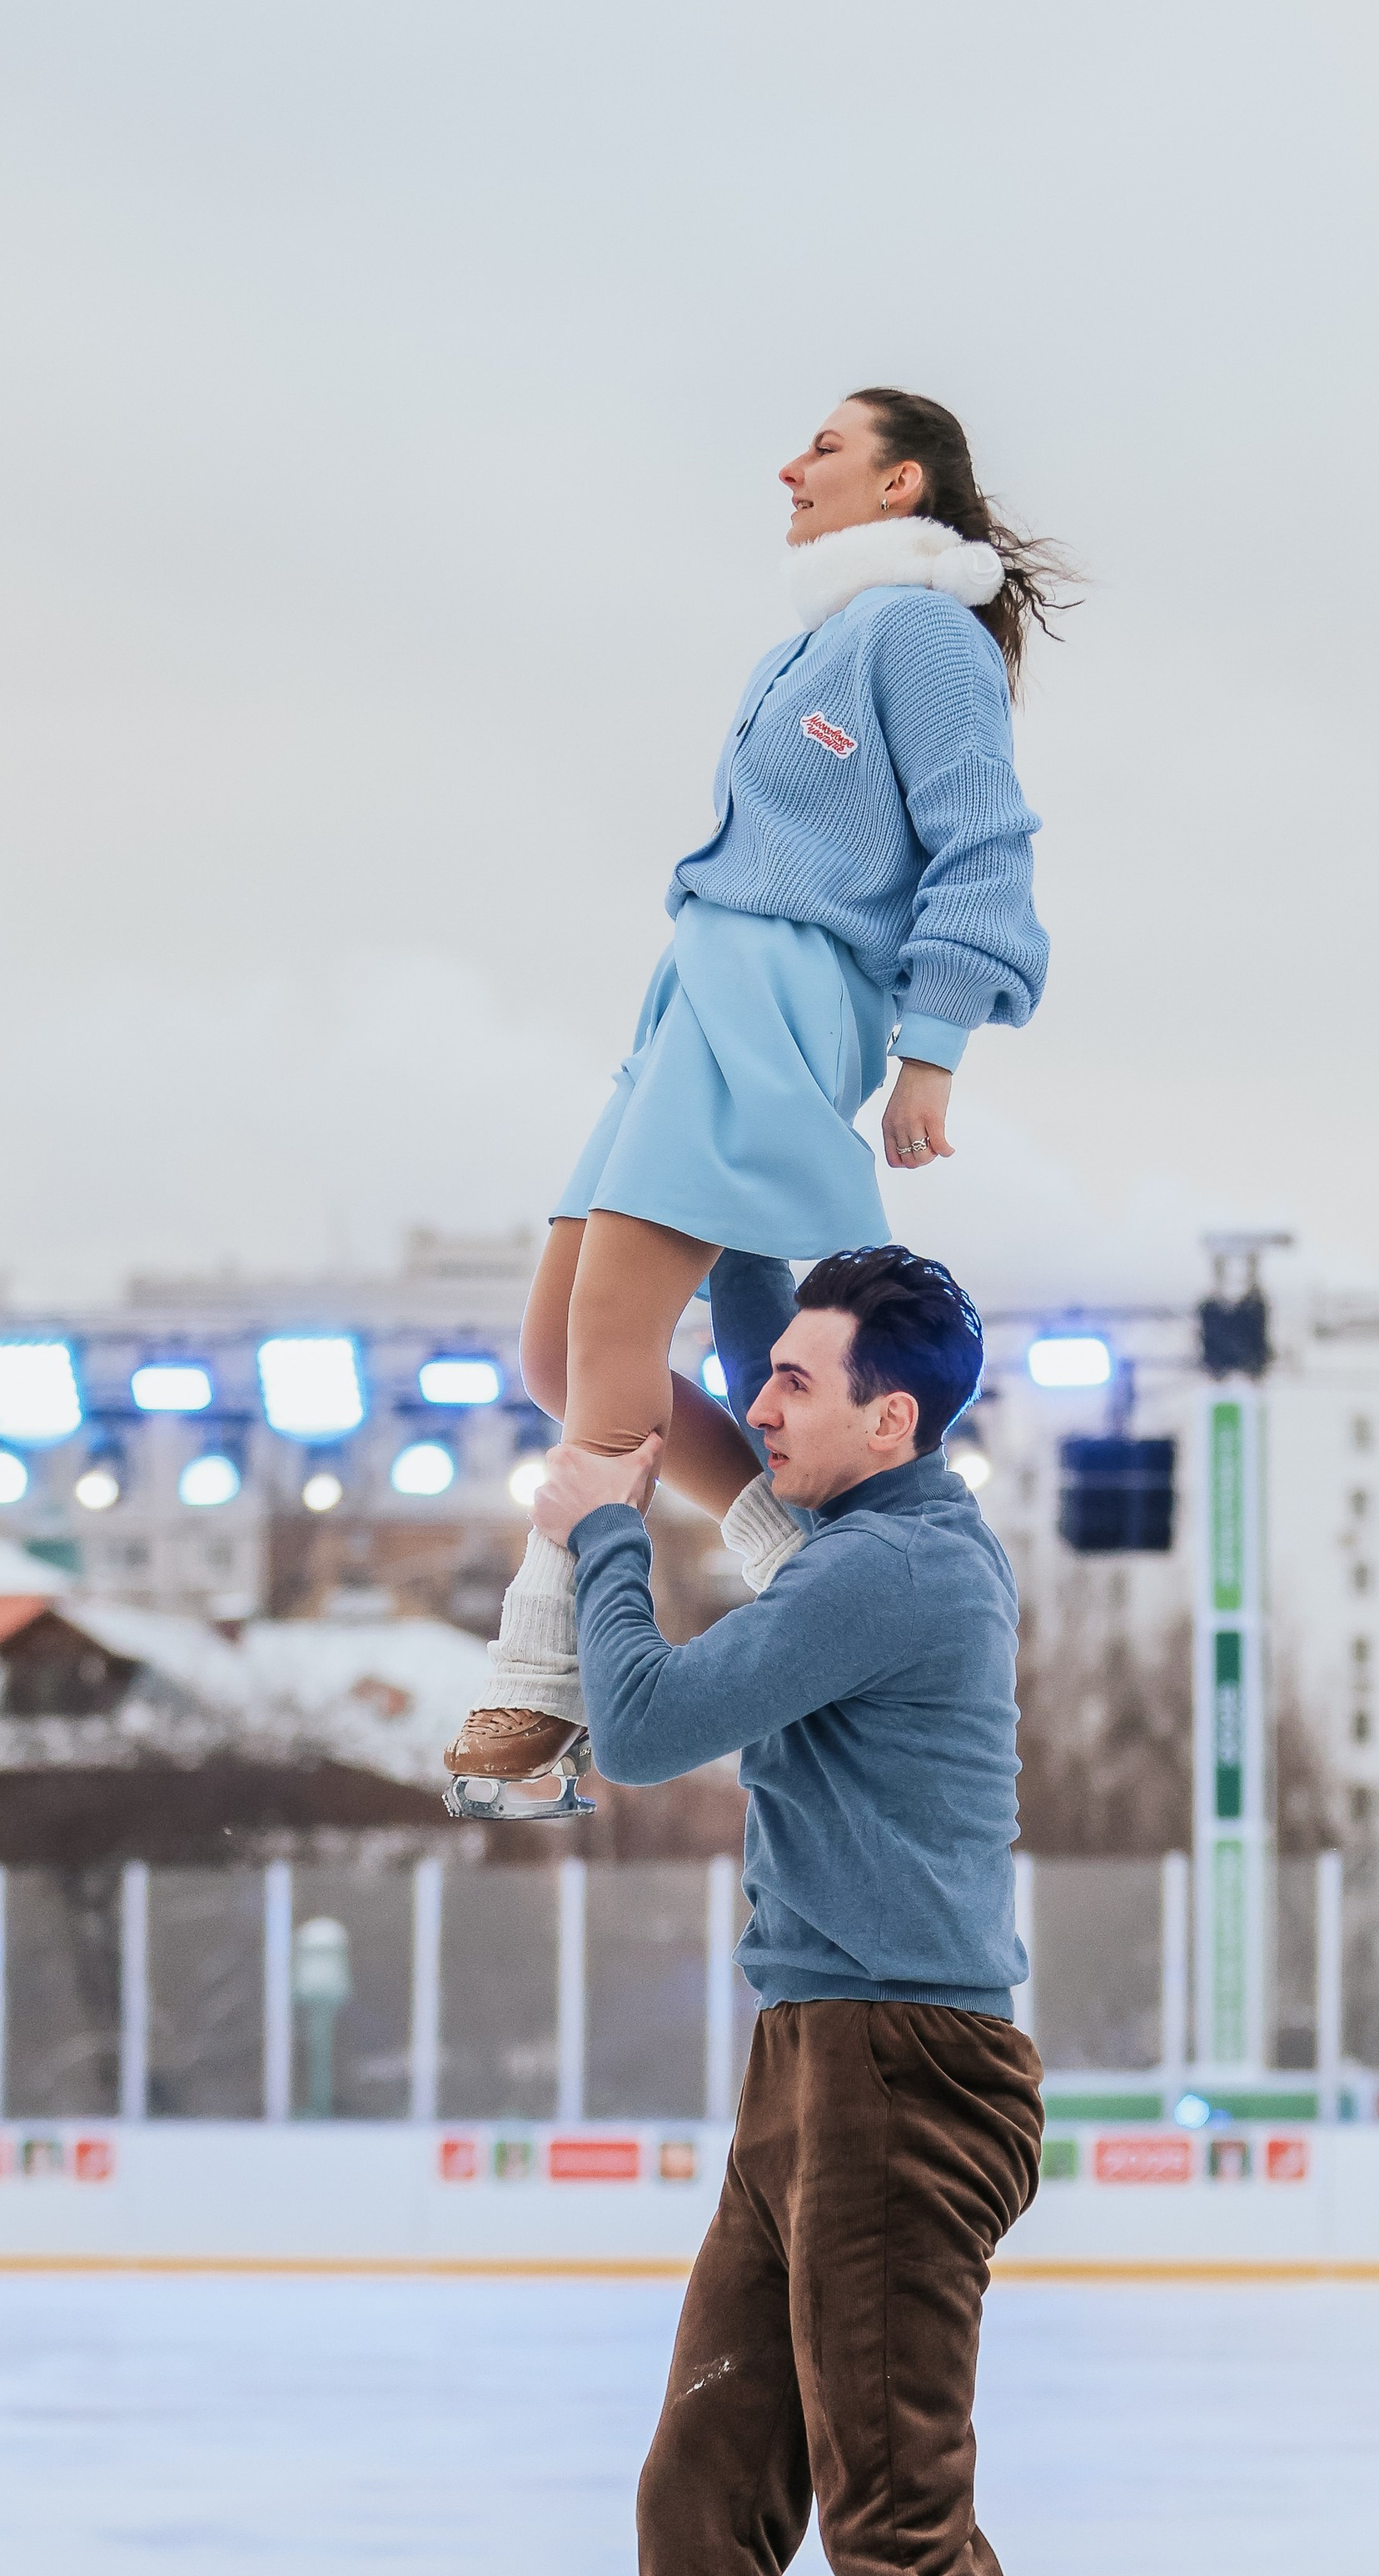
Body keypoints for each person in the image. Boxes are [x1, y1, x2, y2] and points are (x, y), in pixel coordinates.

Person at [495, 1244, 1138, 2576]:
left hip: (902, 2076)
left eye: (792, 1382)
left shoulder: (897, 1569)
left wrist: (606, 1523)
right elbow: (738, 1329)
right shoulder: (842, 1524)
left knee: (891, 2516)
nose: (756, 1403)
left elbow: (644, 1724)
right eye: (761, 1374)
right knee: (701, 2485)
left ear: (894, 1420)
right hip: (809, 2063)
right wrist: (704, 1204)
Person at [443, 389, 1068, 1808]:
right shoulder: (819, 640)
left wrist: (934, 1046)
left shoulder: (919, 634)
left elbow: (986, 842)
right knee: (557, 1353)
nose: (791, 466)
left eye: (828, 447)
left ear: (903, 483)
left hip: (785, 992)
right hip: (695, 994)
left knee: (609, 1337)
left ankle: (541, 1688)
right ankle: (786, 1540)